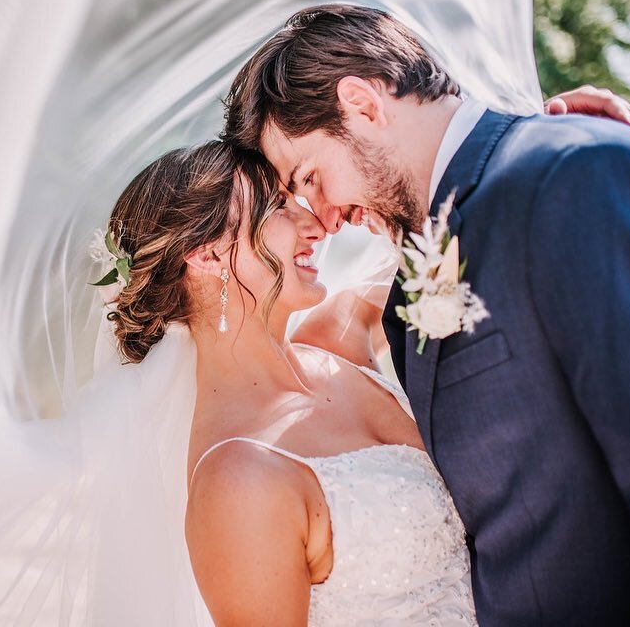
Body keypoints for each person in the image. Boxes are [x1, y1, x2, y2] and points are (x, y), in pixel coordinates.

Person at [223, 3, 630, 625]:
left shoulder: (573, 175)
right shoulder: (409, 294)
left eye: (313, 177)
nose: (322, 218)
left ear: (363, 104)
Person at [102, 139, 476, 625]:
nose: (316, 225)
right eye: (278, 207)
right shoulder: (236, 480)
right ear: (207, 255)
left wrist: (538, 133)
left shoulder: (340, 337)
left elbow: (461, 238)